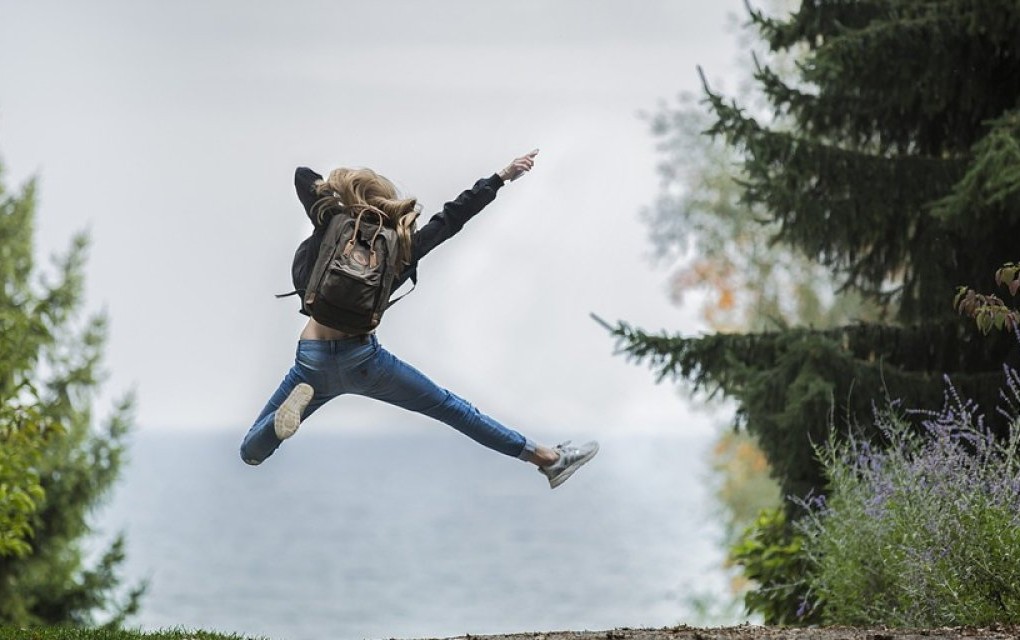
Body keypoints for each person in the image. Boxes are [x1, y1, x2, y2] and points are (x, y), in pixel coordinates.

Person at [239, 150, 599, 489]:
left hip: (312, 360)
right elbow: (452, 218)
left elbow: (304, 176)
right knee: (453, 410)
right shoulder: (401, 246)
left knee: (251, 453)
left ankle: (278, 424)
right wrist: (501, 177)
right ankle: (548, 460)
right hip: (364, 361)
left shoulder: (332, 223)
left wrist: (341, 199)